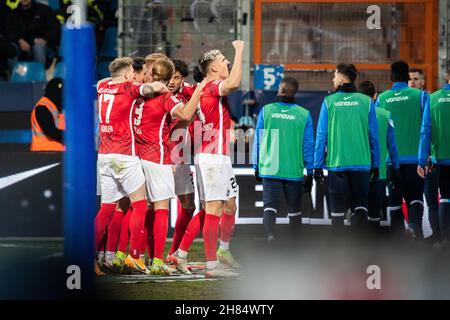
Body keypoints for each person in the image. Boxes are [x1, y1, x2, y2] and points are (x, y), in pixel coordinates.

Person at [171, 41, 245, 278]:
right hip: (212, 157)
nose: (228, 62)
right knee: (211, 209)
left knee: (229, 203)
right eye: (224, 61)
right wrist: (240, 50)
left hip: (217, 156)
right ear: (213, 68)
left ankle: (184, 254)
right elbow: (234, 82)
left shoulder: (203, 86)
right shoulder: (212, 85)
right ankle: (213, 266)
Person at [133, 56, 207, 275]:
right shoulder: (162, 97)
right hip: (162, 156)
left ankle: (172, 253)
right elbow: (181, 116)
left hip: (178, 158)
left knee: (187, 206)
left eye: (177, 77)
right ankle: (150, 255)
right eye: (171, 77)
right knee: (154, 207)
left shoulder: (184, 93)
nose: (174, 81)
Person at [94, 57, 167, 275]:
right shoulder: (129, 87)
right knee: (140, 204)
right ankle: (135, 256)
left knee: (106, 208)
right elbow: (152, 87)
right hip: (125, 156)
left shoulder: (102, 85)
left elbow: (111, 76)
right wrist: (159, 85)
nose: (136, 76)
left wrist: (120, 73)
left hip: (104, 156)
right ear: (127, 75)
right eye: (134, 73)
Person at [314, 63, 380, 232]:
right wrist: (376, 164)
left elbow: (322, 136)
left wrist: (317, 165)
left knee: (337, 209)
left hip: (337, 163)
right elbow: (374, 136)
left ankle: (339, 247)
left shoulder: (329, 102)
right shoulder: (366, 101)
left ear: (342, 78)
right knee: (360, 207)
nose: (333, 78)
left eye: (335, 75)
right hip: (362, 163)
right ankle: (361, 247)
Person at [253, 77, 314, 241]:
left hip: (270, 168)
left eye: (279, 88)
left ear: (282, 90)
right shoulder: (304, 115)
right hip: (293, 170)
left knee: (269, 208)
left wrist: (255, 166)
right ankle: (294, 244)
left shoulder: (266, 111)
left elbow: (258, 141)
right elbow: (308, 145)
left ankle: (270, 236)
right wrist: (310, 170)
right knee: (294, 210)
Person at [376, 61, 429, 240]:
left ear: (391, 77)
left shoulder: (381, 99)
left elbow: (378, 130)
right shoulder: (421, 96)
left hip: (391, 161)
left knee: (395, 201)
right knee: (415, 198)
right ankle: (416, 231)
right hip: (416, 159)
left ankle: (399, 239)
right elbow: (428, 126)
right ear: (407, 77)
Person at [359, 80, 400, 230]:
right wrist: (395, 167)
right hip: (380, 172)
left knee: (359, 209)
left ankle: (355, 245)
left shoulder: (354, 114)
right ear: (375, 96)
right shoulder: (385, 115)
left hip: (358, 170)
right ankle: (373, 246)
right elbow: (392, 145)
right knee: (374, 213)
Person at [418, 70, 450, 248]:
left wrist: (422, 160)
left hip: (440, 158)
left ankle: (443, 241)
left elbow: (426, 131)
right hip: (440, 159)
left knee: (444, 198)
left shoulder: (434, 98)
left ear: (447, 76)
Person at [407, 69, 439, 243]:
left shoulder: (429, 99)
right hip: (411, 158)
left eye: (415, 79)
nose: (412, 82)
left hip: (427, 158)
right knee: (419, 198)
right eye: (409, 79)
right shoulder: (406, 101)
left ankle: (437, 236)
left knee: (431, 197)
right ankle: (421, 234)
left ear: (423, 82)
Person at [6, 0, 61, 68]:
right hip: (22, 46)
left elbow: (55, 26)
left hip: (43, 45)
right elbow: (9, 30)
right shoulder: (14, 13)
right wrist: (19, 40)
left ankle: (38, 76)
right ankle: (16, 76)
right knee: (10, 47)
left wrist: (45, 39)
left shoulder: (44, 9)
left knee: (38, 47)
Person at [30, 77, 65, 151]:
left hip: (59, 153)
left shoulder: (57, 107)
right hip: (44, 154)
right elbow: (50, 131)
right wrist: (72, 137)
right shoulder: (42, 107)